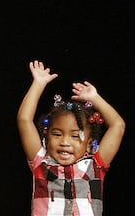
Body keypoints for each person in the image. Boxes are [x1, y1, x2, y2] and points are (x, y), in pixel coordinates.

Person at [16, 61, 125, 215]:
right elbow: (24, 120)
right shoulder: (41, 163)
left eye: (75, 136)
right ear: (46, 139)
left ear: (88, 144)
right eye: (57, 134)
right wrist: (38, 84)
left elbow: (117, 125)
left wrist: (95, 98)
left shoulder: (95, 166)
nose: (65, 142)